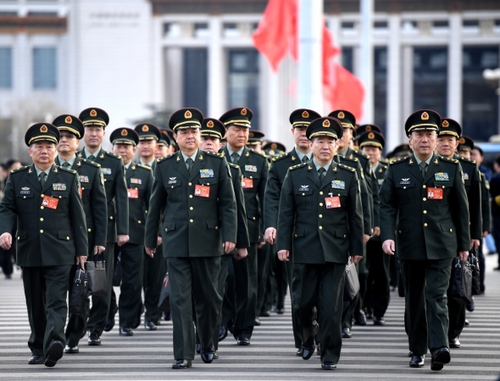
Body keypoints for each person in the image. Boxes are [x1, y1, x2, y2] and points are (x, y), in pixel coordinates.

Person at [145, 107, 237, 369]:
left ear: (200, 134)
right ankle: (183, 353)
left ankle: (207, 343)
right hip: (175, 242)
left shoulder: (216, 164)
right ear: (175, 136)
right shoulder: (165, 167)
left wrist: (230, 235)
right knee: (180, 299)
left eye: (194, 131)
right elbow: (156, 207)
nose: (190, 136)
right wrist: (150, 240)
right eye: (184, 132)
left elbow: (228, 204)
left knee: (209, 298)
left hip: (209, 241)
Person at [380, 109, 470, 371]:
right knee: (415, 300)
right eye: (419, 134)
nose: (425, 139)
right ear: (410, 139)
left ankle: (439, 347)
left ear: (435, 137)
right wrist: (387, 236)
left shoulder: (450, 168)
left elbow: (460, 210)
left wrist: (464, 244)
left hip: (443, 243)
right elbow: (386, 205)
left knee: (436, 295)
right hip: (409, 244)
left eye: (429, 134)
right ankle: (417, 349)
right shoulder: (397, 170)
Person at [277, 116, 364, 370]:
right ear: (311, 144)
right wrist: (283, 244)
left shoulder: (347, 175)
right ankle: (306, 337)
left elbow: (355, 215)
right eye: (320, 141)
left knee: (330, 306)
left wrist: (357, 248)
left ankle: (329, 354)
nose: (325, 146)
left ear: (337, 145)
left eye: (330, 141)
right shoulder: (295, 175)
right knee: (303, 304)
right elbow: (286, 214)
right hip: (303, 249)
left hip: (335, 251)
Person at [0, 123, 88, 367]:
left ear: (55, 149)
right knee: (35, 303)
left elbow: (78, 218)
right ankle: (38, 346)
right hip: (29, 250)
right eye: (39, 146)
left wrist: (82, 251)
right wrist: (5, 231)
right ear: (30, 151)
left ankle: (55, 343)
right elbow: (7, 207)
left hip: (61, 250)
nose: (45, 150)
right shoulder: (18, 179)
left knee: (57, 300)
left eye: (50, 146)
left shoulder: (68, 178)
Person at [263, 108, 320, 354]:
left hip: (324, 237)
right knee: (299, 290)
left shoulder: (333, 164)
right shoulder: (280, 165)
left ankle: (325, 335)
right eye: (299, 129)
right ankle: (304, 338)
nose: (304, 134)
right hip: (293, 236)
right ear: (292, 132)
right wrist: (271, 225)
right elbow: (271, 198)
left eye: (309, 130)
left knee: (325, 292)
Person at [53, 114, 108, 354]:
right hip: (55, 241)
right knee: (56, 292)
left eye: (69, 136)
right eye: (61, 136)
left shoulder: (91, 170)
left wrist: (100, 241)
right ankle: (55, 334)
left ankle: (75, 335)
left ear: (78, 141)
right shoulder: (47, 167)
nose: (64, 140)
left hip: (86, 242)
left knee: (85, 290)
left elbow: (100, 208)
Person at [77, 107, 129, 345]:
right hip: (75, 233)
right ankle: (78, 323)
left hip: (102, 232)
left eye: (98, 129)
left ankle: (95, 327)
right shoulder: (72, 160)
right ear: (82, 133)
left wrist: (122, 231)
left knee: (98, 284)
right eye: (89, 129)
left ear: (104, 133)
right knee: (77, 282)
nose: (94, 133)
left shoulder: (113, 162)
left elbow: (121, 198)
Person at [198, 117, 249, 356]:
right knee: (193, 293)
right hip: (193, 241)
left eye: (213, 139)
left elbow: (237, 209)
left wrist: (240, 242)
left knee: (215, 291)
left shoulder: (231, 169)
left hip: (221, 241)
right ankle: (199, 336)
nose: (208, 143)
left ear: (220, 143)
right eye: (205, 138)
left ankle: (211, 336)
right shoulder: (183, 168)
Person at [219, 107, 269, 346]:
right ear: (225, 132)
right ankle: (223, 320)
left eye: (245, 129)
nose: (242, 134)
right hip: (220, 231)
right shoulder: (216, 159)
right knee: (223, 279)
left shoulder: (258, 161)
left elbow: (266, 198)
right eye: (237, 129)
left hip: (249, 230)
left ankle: (244, 328)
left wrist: (265, 228)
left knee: (247, 282)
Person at [435, 119, 481, 349]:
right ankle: (436, 333)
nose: (445, 143)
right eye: (441, 139)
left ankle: (454, 331)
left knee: (458, 286)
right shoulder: (427, 167)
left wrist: (474, 235)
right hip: (435, 236)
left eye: (449, 139)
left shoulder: (468, 168)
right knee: (436, 289)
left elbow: (475, 204)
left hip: (460, 236)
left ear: (457, 142)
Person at [109, 127, 153, 336]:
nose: (122, 150)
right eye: (119, 146)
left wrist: (155, 233)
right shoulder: (102, 169)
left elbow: (153, 206)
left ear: (134, 150)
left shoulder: (144, 173)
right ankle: (106, 309)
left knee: (133, 281)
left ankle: (126, 321)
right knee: (100, 277)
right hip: (107, 233)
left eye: (126, 146)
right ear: (112, 148)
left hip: (135, 234)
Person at [357, 129, 390, 326]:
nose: (370, 153)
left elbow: (383, 201)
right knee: (363, 272)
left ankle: (379, 310)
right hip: (363, 231)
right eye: (366, 149)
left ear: (380, 152)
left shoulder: (388, 169)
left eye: (374, 149)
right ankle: (364, 305)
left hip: (382, 231)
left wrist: (379, 224)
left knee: (381, 273)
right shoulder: (359, 168)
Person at [134, 123, 164, 331]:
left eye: (149, 142)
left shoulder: (164, 167)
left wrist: (160, 232)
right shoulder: (130, 168)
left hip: (159, 233)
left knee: (155, 275)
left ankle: (152, 314)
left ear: (156, 144)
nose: (145, 146)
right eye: (142, 142)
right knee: (136, 276)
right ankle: (136, 311)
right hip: (136, 231)